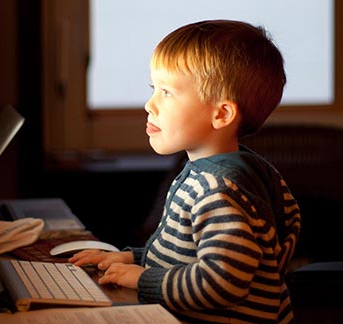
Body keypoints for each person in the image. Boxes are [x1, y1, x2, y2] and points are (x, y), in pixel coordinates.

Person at [70, 19, 301, 323]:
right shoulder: (227, 172)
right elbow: (191, 256)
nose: (149, 105)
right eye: (154, 89)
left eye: (166, 92)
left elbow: (220, 283)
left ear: (221, 114)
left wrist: (142, 279)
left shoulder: (218, 190)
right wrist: (131, 258)